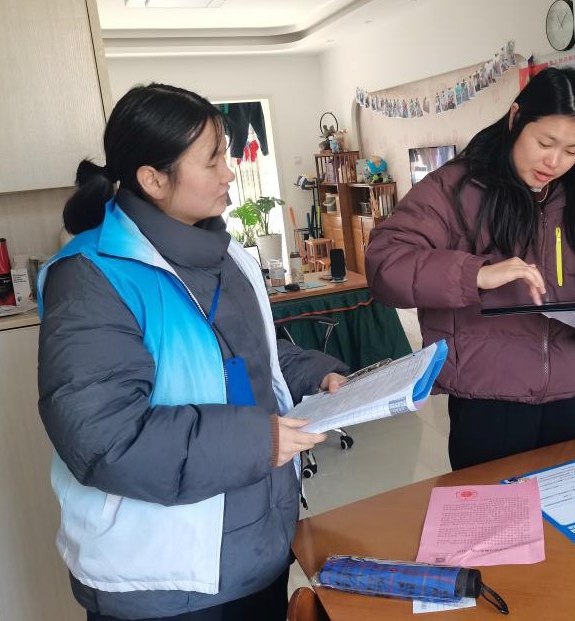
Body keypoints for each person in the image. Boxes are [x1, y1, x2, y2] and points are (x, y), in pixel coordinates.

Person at [37, 83, 348, 621]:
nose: (230, 173)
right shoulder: (91, 278)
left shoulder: (229, 255)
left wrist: (318, 375)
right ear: (154, 179)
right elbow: (105, 438)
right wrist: (260, 439)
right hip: (162, 576)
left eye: (226, 154)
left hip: (260, 544)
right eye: (212, 160)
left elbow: (250, 357)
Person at [366, 67, 575, 470]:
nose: (554, 161)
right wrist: (474, 274)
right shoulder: (455, 188)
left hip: (570, 400)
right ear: (515, 118)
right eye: (544, 142)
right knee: (495, 510)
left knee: (574, 506)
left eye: (571, 150)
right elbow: (384, 263)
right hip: (486, 403)